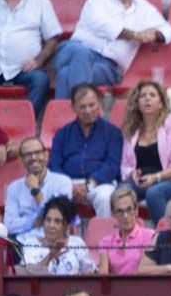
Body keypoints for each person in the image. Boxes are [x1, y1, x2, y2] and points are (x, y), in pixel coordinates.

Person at [52, 0, 171, 101]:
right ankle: (77, 110)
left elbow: (169, 31)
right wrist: (136, 35)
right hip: (74, 50)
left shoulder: (144, 7)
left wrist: (154, 35)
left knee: (65, 75)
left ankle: (63, 113)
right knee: (81, 54)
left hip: (107, 67)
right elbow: (101, 25)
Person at [117, 80, 171, 226]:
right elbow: (125, 165)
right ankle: (126, 236)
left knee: (154, 193)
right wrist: (132, 173)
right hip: (141, 181)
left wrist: (156, 177)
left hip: (170, 180)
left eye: (152, 95)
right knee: (121, 193)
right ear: (137, 103)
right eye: (143, 96)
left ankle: (164, 235)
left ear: (161, 103)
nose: (147, 99)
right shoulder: (131, 129)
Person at [48, 83, 123, 218]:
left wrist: (89, 185)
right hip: (69, 183)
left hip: (99, 183)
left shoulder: (113, 132)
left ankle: (103, 231)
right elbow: (54, 164)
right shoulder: (62, 133)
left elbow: (112, 165)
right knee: (51, 193)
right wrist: (68, 185)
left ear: (99, 103)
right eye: (82, 107)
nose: (88, 111)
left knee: (104, 197)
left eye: (92, 105)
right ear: (73, 108)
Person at [4, 136, 71, 240]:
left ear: (46, 155)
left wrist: (35, 191)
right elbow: (9, 226)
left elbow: (59, 219)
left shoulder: (62, 182)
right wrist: (34, 221)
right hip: (23, 243)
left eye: (37, 152)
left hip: (55, 242)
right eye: (28, 154)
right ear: (21, 160)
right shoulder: (13, 188)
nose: (33, 157)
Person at [15, 196, 96, 276]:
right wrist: (50, 256)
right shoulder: (31, 245)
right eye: (48, 220)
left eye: (57, 221)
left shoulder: (76, 243)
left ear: (66, 225)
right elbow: (27, 277)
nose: (51, 225)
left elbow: (90, 273)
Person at [98, 187, 155, 275]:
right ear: (113, 214)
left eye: (129, 209)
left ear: (136, 211)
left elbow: (144, 271)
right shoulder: (105, 242)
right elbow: (103, 274)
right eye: (120, 211)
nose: (125, 216)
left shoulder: (150, 236)